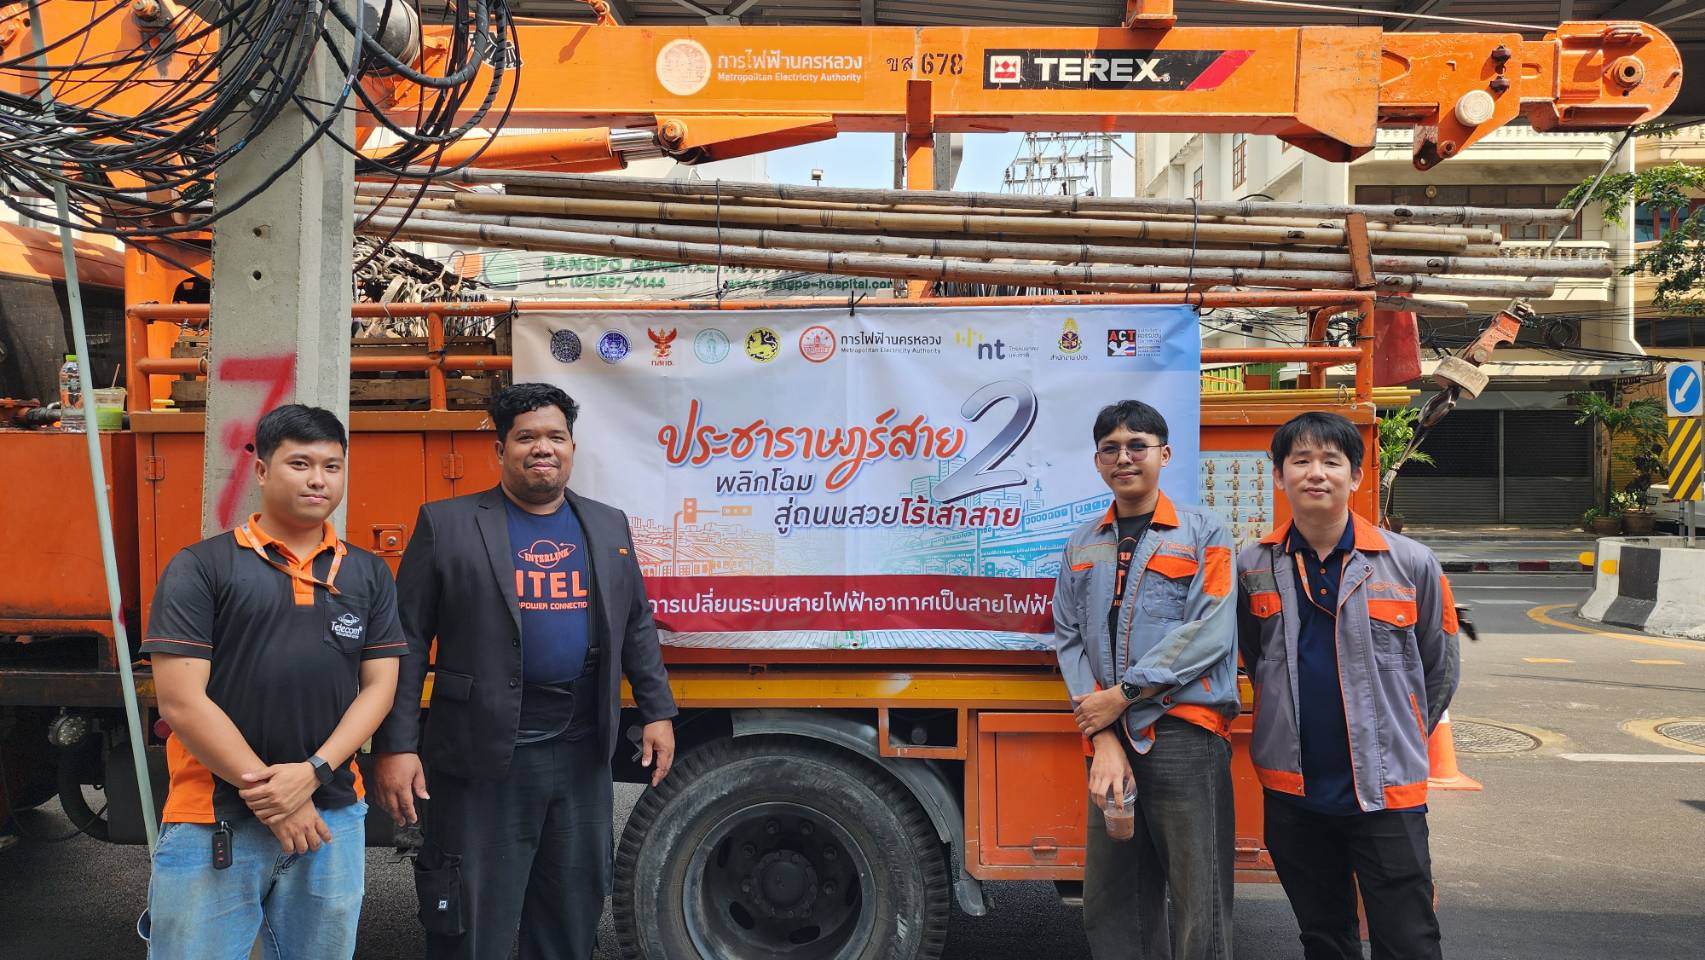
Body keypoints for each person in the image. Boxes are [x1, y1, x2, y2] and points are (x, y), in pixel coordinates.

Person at [371, 382, 678, 960]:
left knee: (571, 914)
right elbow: (405, 641)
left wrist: (657, 710)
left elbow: (636, 621)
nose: (543, 448)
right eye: (527, 437)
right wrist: (397, 745)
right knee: (471, 921)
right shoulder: (447, 524)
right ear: (501, 449)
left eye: (555, 436)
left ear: (572, 447)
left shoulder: (607, 525)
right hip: (482, 752)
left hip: (581, 748)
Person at [139, 404, 406, 959]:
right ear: (261, 471)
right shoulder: (202, 566)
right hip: (213, 819)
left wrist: (312, 774)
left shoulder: (367, 572)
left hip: (332, 816)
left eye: (332, 466)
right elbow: (181, 702)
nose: (318, 480)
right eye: (300, 464)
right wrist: (278, 798)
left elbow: (379, 688)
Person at [1236, 411, 1460, 960]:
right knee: (1323, 936)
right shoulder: (1254, 565)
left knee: (1409, 939)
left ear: (1355, 476)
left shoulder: (1410, 563)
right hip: (1294, 791)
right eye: (1301, 461)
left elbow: (1440, 668)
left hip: (1387, 791)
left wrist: (1400, 736)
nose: (1316, 473)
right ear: (1279, 475)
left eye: (1331, 461)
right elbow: (1254, 656)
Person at [1050, 399, 1238, 960]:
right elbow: (1068, 638)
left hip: (1183, 733)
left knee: (1199, 897)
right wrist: (1104, 734)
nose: (1124, 458)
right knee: (1113, 899)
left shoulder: (1205, 531)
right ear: (1097, 461)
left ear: (1165, 454)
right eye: (1111, 448)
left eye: (1138, 445)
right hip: (1110, 738)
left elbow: (1211, 630)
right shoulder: (1082, 542)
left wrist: (1124, 695)